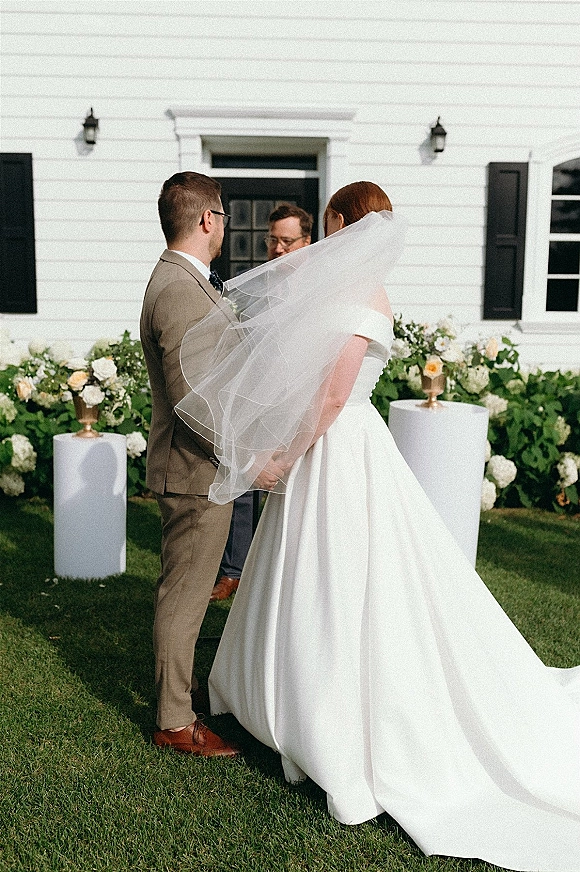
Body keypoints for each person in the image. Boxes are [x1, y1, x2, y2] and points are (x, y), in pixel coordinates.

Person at [176, 181, 580, 869]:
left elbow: (332, 397)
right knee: (325, 570)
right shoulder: (367, 291)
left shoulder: (355, 295)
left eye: (328, 224)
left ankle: (321, 716)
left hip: (337, 446)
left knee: (339, 572)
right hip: (350, 442)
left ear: (338, 222)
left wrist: (283, 455)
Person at [140, 171, 285, 756]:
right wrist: (248, 460)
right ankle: (174, 719)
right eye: (223, 216)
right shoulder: (176, 287)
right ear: (207, 219)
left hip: (203, 467)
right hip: (194, 471)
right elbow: (190, 398)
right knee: (186, 592)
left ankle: (180, 694)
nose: (224, 225)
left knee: (189, 588)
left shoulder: (189, 282)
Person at [209, 202, 314, 603]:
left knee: (292, 488)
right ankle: (234, 571)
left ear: (307, 242)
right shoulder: (258, 283)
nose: (278, 249)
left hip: (298, 403)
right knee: (244, 481)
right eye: (273, 240)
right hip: (256, 397)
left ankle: (280, 570)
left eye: (287, 241)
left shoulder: (317, 287)